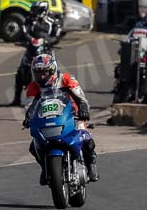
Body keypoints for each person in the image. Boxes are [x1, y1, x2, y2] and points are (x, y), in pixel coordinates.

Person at [23, 54, 98, 183]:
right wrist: (28, 117)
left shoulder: (67, 79)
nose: (40, 77)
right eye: (37, 73)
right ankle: (46, 168)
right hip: (47, 118)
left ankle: (90, 164)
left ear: (52, 70)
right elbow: (30, 106)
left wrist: (83, 109)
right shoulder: (32, 87)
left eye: (44, 73)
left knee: (87, 139)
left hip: (72, 115)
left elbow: (81, 97)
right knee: (34, 146)